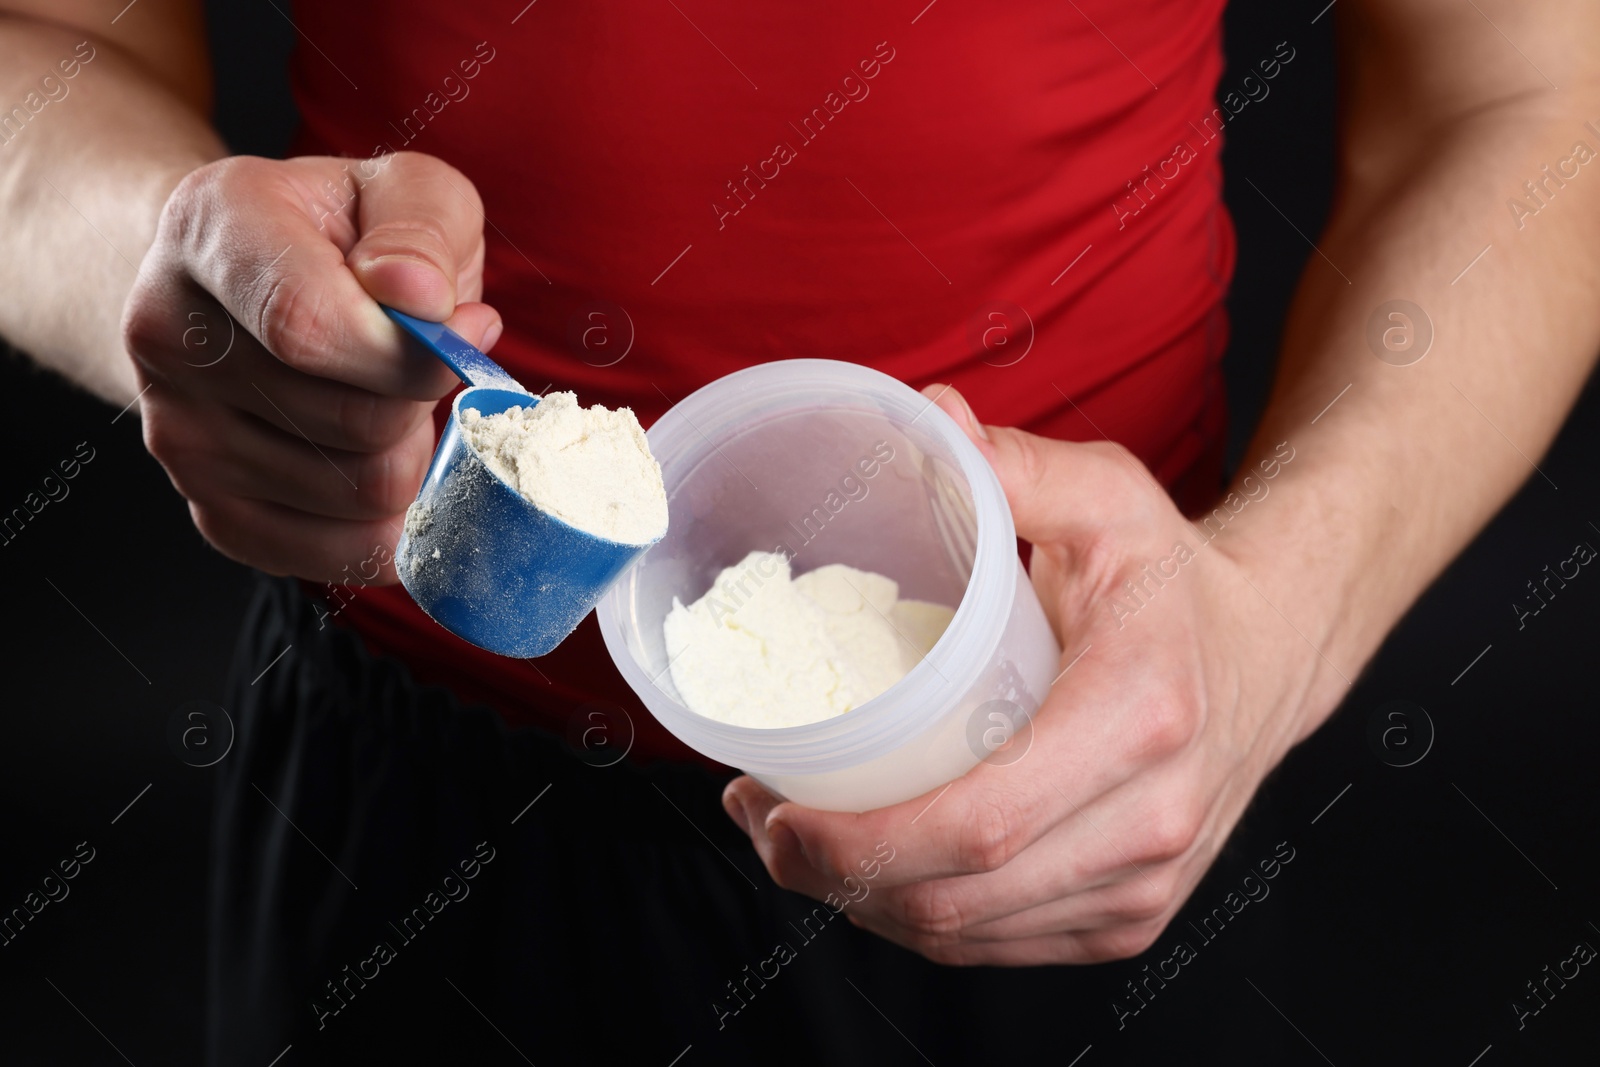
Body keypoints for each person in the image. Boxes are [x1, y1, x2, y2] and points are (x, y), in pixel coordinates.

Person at [3, 0, 1597, 1062]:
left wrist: (1278, 620)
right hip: (425, 800)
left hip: (1097, 755)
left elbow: (1534, 95)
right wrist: (180, 268)